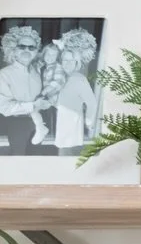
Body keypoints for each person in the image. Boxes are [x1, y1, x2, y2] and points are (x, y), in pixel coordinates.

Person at [0, 23, 47, 151]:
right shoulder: (4, 75)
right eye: (22, 46)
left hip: (39, 123)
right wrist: (33, 106)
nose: (27, 50)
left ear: (36, 51)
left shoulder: (37, 72)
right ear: (14, 49)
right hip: (17, 125)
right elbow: (4, 107)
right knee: (19, 162)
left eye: (31, 47)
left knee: (37, 162)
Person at [51, 28, 99, 152]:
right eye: (65, 60)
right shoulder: (60, 77)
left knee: (68, 156)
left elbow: (92, 103)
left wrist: (89, 122)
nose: (67, 63)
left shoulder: (79, 79)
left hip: (72, 132)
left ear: (76, 62)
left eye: (71, 61)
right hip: (61, 128)